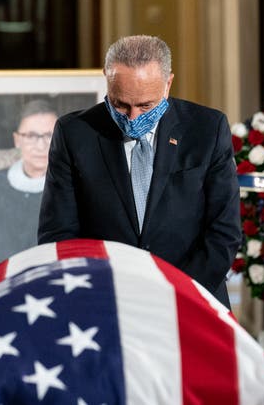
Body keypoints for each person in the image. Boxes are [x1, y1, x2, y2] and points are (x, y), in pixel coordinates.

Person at [38, 35, 241, 307]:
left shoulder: (207, 129)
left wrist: (171, 296)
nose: (133, 117)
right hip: (103, 302)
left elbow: (223, 232)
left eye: (146, 105)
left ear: (168, 84)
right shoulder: (74, 133)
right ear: (106, 80)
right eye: (120, 104)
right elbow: (58, 234)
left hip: (192, 300)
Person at [0, 99, 57, 275]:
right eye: (32, 136)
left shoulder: (72, 188)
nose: (41, 146)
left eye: (50, 135)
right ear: (17, 140)